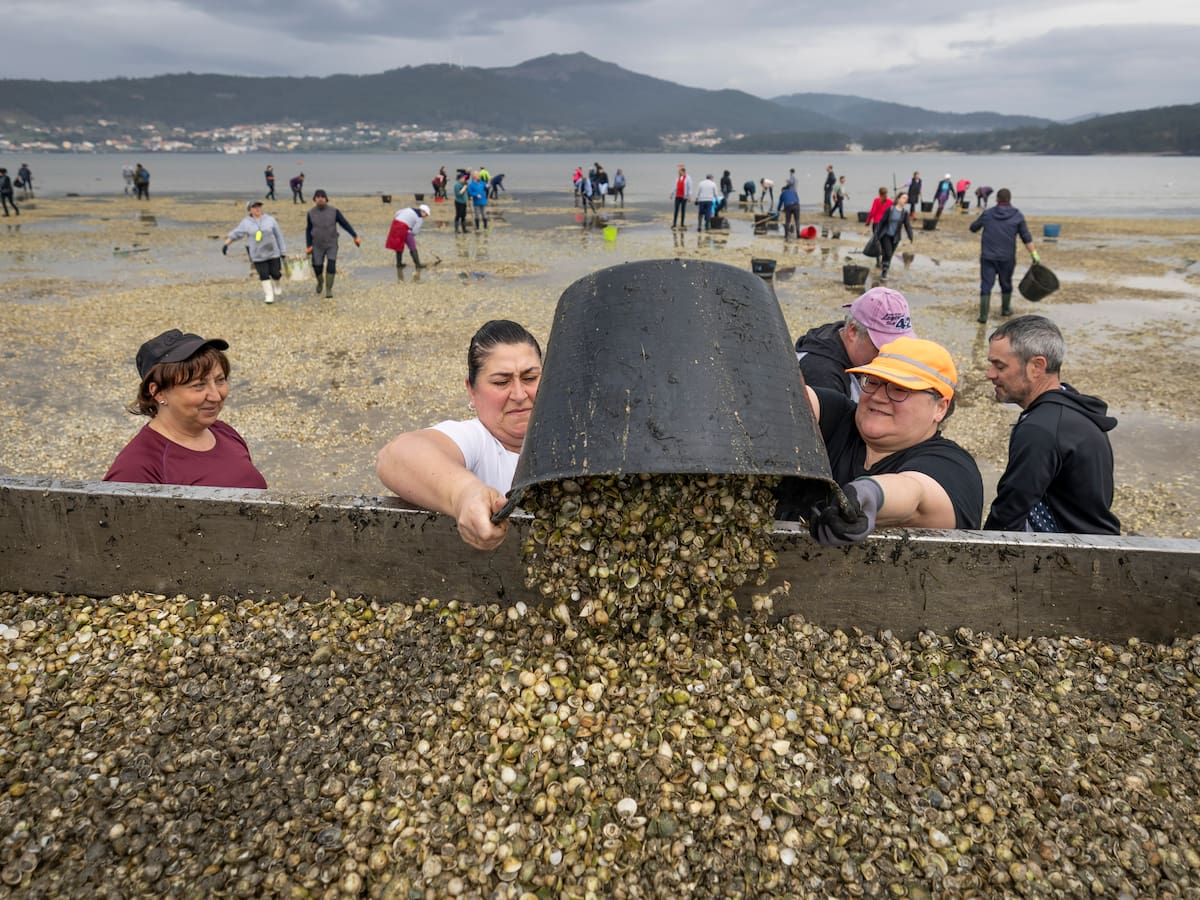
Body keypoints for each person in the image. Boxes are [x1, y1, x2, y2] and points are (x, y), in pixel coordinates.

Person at [777, 337, 983, 543]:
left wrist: (869, 494)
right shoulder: (838, 416)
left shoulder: (953, 466)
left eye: (899, 390)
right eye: (873, 382)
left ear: (940, 407)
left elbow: (915, 496)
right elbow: (784, 398)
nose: (878, 396)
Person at [376, 319, 542, 550]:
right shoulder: (477, 438)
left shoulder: (575, 437)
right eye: (501, 382)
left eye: (530, 378)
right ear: (471, 390)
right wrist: (464, 494)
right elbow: (395, 456)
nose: (519, 394)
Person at [984, 316, 1119, 534]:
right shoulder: (1072, 407)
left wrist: (983, 559)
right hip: (1096, 539)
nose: (990, 374)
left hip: (1069, 555)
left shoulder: (1040, 429)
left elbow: (1009, 511)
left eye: (999, 365)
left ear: (1037, 366)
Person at [104, 329, 267, 489]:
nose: (216, 396)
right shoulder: (137, 469)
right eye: (198, 385)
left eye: (220, 380)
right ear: (158, 392)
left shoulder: (224, 432)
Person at [794, 286, 916, 402]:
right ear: (853, 331)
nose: (888, 357)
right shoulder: (822, 375)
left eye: (897, 349)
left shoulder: (839, 335)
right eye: (880, 348)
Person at [969, 187, 1039, 322]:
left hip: (988, 256)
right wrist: (1034, 254)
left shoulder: (988, 214)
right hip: (1007, 257)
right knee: (1006, 283)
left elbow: (973, 228)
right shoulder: (1017, 215)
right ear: (1009, 200)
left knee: (986, 284)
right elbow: (1026, 237)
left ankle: (983, 316)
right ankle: (1005, 309)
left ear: (996, 199)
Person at [223, 200, 287, 304]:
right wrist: (226, 244)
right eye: (254, 207)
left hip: (272, 252)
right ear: (250, 210)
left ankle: (277, 283)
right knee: (263, 274)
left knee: (276, 273)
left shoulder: (270, 220)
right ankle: (269, 295)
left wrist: (283, 250)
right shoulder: (246, 222)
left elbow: (278, 235)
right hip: (257, 254)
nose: (257, 209)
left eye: (259, 206)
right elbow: (237, 233)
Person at [305, 189, 361, 299]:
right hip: (317, 245)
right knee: (317, 267)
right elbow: (308, 230)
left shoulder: (334, 211)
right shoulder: (310, 213)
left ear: (326, 199)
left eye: (322, 196)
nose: (320, 198)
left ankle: (328, 289)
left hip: (332, 244)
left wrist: (355, 236)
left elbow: (345, 224)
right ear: (315, 199)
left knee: (331, 265)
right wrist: (308, 245)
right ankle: (320, 282)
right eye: (318, 197)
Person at [873, 191, 913, 281]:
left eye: (906, 199)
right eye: (903, 198)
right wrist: (876, 233)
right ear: (898, 199)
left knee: (889, 255)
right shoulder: (890, 209)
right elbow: (882, 221)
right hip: (886, 235)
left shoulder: (904, 213)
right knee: (888, 252)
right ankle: (884, 271)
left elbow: (907, 225)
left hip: (895, 237)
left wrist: (910, 235)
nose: (905, 200)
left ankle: (884, 269)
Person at [386, 203, 431, 268]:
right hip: (403, 227)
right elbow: (415, 231)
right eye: (426, 214)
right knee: (412, 246)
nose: (425, 216)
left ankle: (399, 264)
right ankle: (418, 265)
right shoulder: (419, 218)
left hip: (395, 224)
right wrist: (411, 235)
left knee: (399, 245)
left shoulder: (409, 209)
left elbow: (397, 213)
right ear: (422, 211)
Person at [671, 164, 692, 229]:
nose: (679, 173)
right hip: (677, 196)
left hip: (684, 196)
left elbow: (690, 187)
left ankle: (682, 224)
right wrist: (672, 194)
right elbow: (675, 187)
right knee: (676, 210)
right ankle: (674, 223)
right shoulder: (678, 178)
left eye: (680, 172)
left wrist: (689, 196)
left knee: (683, 210)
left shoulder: (688, 178)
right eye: (678, 172)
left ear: (683, 172)